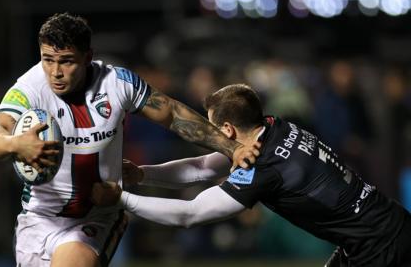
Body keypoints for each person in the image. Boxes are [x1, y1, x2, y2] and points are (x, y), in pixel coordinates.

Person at [0, 13, 259, 267]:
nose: (55, 72)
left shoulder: (118, 83)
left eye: (66, 61)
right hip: (39, 218)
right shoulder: (29, 88)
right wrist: (16, 144)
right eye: (47, 59)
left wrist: (231, 147)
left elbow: (173, 114)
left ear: (88, 57)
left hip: (94, 218)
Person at [101, 84, 411, 266]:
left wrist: (121, 198)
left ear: (227, 130)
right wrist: (142, 175)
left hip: (381, 246)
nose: (210, 135)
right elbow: (202, 168)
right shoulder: (277, 127)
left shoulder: (263, 169)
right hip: (379, 228)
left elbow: (188, 214)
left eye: (212, 129)